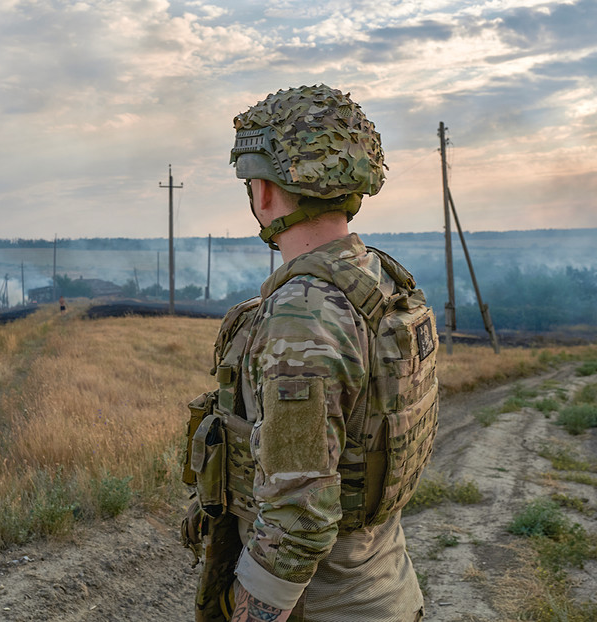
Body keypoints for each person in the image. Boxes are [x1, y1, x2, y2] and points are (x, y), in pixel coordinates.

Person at [182, 84, 440, 622]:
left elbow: (298, 518)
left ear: (266, 193)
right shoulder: (378, 280)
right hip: (388, 590)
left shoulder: (303, 312)